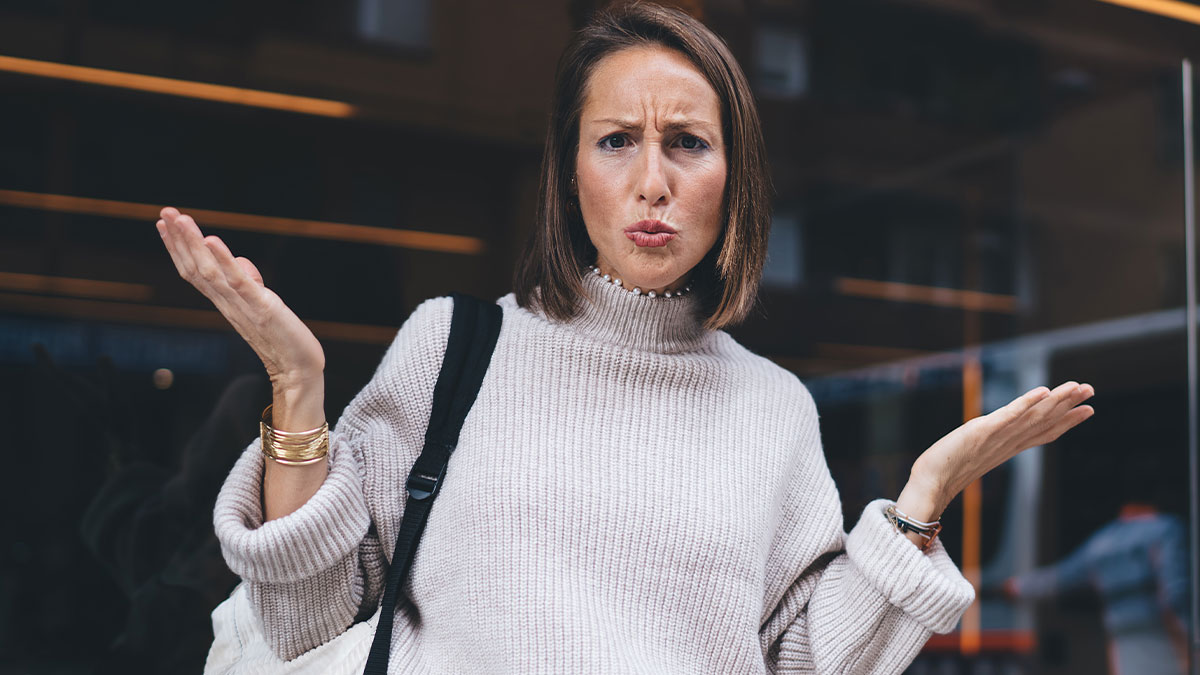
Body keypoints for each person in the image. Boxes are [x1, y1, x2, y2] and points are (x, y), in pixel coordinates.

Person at [154, 3, 1096, 672]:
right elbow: (301, 616)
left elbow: (802, 662)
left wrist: (920, 501)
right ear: (570, 174)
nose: (653, 180)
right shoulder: (454, 349)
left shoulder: (772, 407)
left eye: (687, 142)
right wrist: (296, 383)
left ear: (734, 178)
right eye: (616, 141)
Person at [1004, 498, 1188, 675]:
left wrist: (1016, 586)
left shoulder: (1103, 540)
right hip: (1160, 627)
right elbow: (1174, 585)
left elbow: (1061, 577)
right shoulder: (1166, 526)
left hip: (1120, 628)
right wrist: (1183, 628)